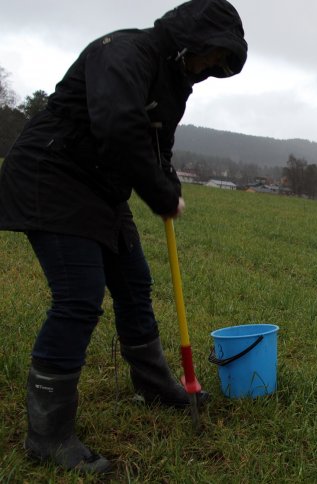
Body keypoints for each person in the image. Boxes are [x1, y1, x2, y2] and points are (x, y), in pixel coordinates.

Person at [0, 0, 247, 473]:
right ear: (190, 39)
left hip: (101, 188)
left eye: (219, 65)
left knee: (135, 284)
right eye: (211, 56)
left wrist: (167, 182)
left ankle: (152, 385)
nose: (210, 68)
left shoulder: (174, 82)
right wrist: (157, 193)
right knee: (79, 297)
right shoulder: (124, 52)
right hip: (51, 176)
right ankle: (47, 435)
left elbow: (158, 145)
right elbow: (117, 125)